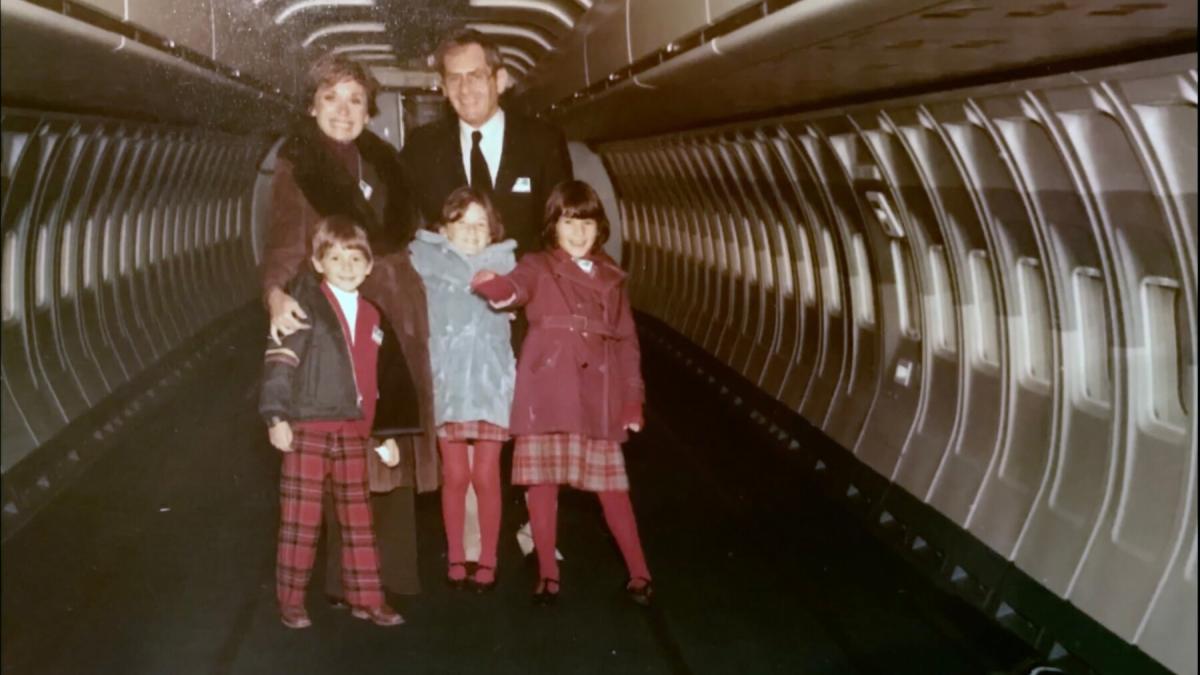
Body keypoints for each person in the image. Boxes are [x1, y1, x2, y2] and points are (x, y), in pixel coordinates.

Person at [261, 53, 439, 604]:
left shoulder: (385, 162)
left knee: (395, 435)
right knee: (349, 435)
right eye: (331, 98)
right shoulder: (300, 169)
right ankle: (350, 581)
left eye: (355, 99)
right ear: (312, 105)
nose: (343, 110)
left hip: (399, 306)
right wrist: (273, 295)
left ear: (370, 110)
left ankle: (398, 576)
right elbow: (287, 243)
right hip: (341, 310)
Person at [400, 27, 574, 564]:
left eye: (476, 75)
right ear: (442, 88)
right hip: (454, 323)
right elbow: (410, 235)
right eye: (454, 79)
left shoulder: (542, 141)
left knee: (523, 425)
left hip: (527, 314)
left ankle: (530, 523)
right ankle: (472, 539)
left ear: (500, 78)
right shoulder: (423, 149)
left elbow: (558, 231)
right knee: (463, 437)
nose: (466, 88)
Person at [471, 180, 653, 606]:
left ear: (599, 228)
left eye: (587, 222)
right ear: (554, 226)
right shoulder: (537, 265)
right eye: (570, 221)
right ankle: (548, 574)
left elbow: (627, 341)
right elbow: (515, 288)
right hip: (548, 389)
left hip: (598, 394)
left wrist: (633, 398)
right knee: (542, 486)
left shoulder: (613, 278)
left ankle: (640, 572)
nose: (578, 232)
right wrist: (493, 285)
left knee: (612, 489)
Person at [260, 216, 408, 628]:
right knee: (300, 521)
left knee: (359, 519)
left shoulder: (374, 316)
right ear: (318, 262)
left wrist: (383, 433)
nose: (346, 265)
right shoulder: (302, 304)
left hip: (353, 429)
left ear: (369, 265)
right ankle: (291, 601)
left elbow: (379, 381)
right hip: (307, 426)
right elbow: (280, 362)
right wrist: (276, 416)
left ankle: (369, 598)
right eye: (336, 257)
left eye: (355, 258)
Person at [408, 186, 517, 592]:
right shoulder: (425, 266)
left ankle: (488, 558)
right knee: (454, 474)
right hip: (448, 383)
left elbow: (520, 301)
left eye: (480, 224)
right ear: (444, 228)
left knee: (486, 474)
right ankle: (456, 554)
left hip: (490, 383)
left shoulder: (507, 267)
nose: (472, 233)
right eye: (462, 224)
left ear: (493, 231)